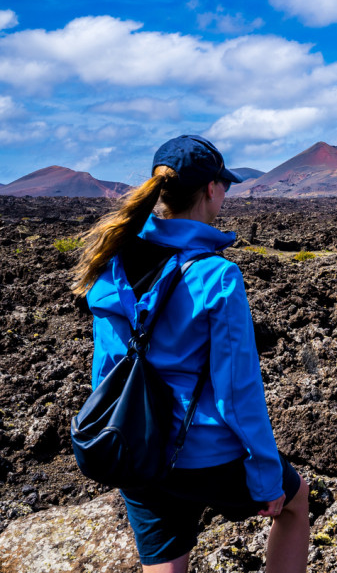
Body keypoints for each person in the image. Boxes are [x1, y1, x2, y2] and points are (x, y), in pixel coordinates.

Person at [72, 135, 309, 573]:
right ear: (211, 190)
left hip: (136, 448)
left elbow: (106, 371)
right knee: (295, 504)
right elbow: (238, 393)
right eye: (225, 185)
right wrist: (265, 478)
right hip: (203, 454)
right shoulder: (217, 276)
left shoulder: (113, 263)